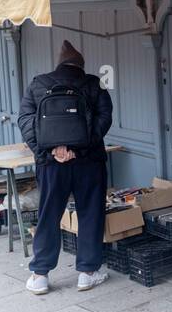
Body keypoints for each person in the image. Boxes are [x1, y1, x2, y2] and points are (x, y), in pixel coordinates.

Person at [18, 40, 113, 295]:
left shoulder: (38, 83)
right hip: (89, 163)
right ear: (80, 66)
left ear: (59, 64)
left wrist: (49, 151)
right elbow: (105, 119)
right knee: (90, 213)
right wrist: (78, 149)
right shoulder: (94, 84)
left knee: (49, 215)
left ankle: (40, 275)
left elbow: (25, 120)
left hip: (51, 166)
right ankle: (87, 273)